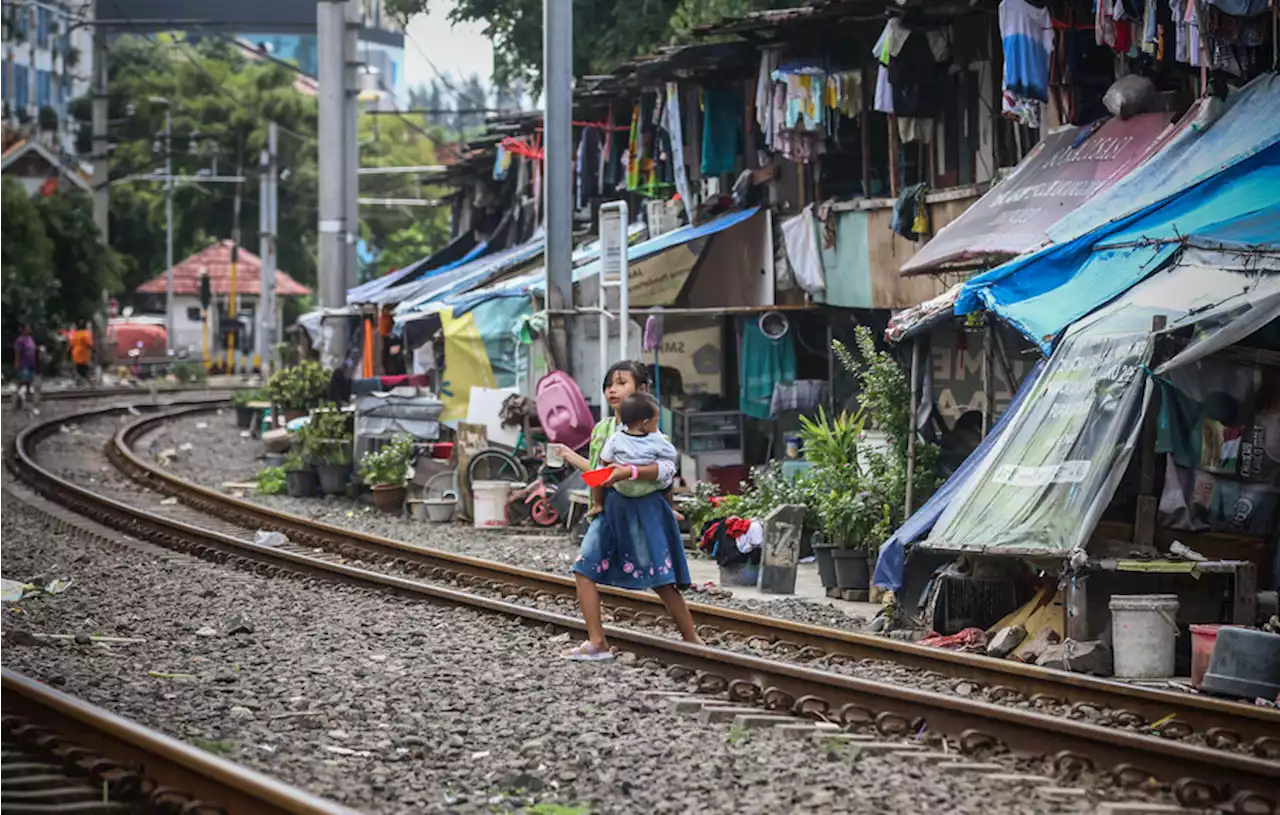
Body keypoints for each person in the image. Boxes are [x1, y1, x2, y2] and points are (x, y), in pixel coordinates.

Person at [550, 361, 703, 662]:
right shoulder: (603, 430)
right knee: (583, 569)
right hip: (610, 509)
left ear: (642, 390)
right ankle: (597, 641)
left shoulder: (654, 432)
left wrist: (632, 474)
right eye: (609, 383)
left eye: (621, 382)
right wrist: (574, 461)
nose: (612, 389)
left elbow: (666, 471)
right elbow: (599, 471)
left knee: (661, 579)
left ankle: (693, 640)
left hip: (644, 511)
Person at [591, 391, 679, 518]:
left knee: (597, 473)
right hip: (647, 486)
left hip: (621, 486)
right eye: (656, 422)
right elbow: (671, 455)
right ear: (645, 423)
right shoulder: (656, 440)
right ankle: (670, 509)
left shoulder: (615, 438)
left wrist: (607, 468)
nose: (656, 426)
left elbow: (604, 459)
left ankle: (598, 504)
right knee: (668, 481)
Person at [12, 324, 38, 409]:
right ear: (23, 330)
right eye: (27, 328)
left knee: (29, 384)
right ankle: (17, 402)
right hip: (23, 365)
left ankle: (25, 402)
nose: (29, 329)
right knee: (22, 383)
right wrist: (17, 363)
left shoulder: (30, 339)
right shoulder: (20, 340)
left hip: (31, 364)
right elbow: (17, 352)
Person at [69, 320, 94, 385]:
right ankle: (89, 383)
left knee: (79, 369)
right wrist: (94, 350)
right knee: (85, 369)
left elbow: (71, 345)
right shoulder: (85, 334)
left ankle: (79, 381)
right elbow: (89, 344)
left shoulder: (75, 334)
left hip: (75, 354)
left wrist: (68, 353)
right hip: (82, 355)